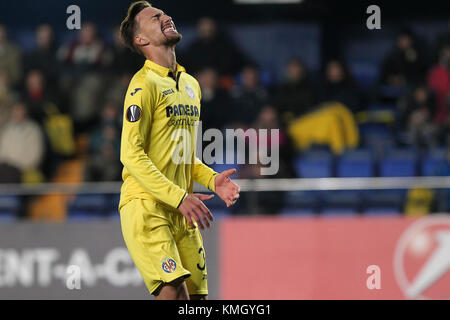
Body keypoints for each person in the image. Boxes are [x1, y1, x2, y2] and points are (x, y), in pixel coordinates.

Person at [118, 1, 240, 300]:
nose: (165, 17)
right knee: (173, 292)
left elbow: (182, 153)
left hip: (181, 209)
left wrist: (211, 179)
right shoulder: (142, 85)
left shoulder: (191, 85)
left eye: (164, 13)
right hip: (147, 206)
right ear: (141, 40)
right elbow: (130, 155)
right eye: (155, 17)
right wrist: (179, 196)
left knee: (197, 299)